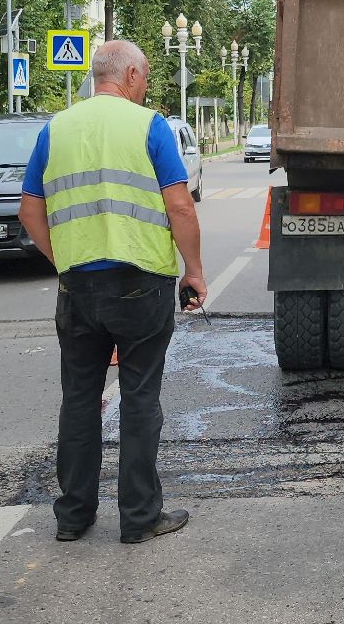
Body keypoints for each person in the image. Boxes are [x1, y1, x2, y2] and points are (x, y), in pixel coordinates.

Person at [18, 40, 208, 545]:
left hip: (78, 285)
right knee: (140, 397)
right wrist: (194, 272)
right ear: (128, 78)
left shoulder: (55, 129)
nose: (144, 86)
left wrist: (66, 260)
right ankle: (139, 518)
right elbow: (181, 208)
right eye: (143, 77)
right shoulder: (150, 127)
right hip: (139, 283)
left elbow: (29, 212)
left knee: (79, 400)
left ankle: (73, 516)